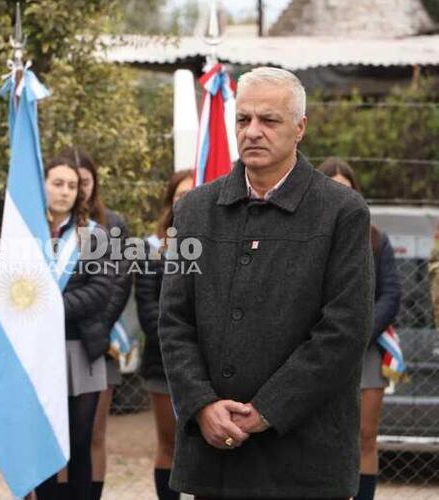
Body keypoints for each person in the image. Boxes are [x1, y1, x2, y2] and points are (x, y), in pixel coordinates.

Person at [158, 66, 373, 499]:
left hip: (304, 460)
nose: (253, 131)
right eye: (243, 119)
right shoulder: (195, 211)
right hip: (216, 460)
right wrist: (201, 404)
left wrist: (267, 410)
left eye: (268, 120)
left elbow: (344, 330)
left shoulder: (342, 212)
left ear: (300, 128)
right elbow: (174, 320)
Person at [319, 158, 402, 500]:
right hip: (320, 352)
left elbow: (391, 294)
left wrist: (357, 332)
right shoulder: (307, 239)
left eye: (348, 190)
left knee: (365, 436)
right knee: (322, 438)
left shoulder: (376, 240)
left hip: (365, 352)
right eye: (334, 188)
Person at [55, 147, 131, 500]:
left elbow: (114, 285)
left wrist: (95, 325)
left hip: (93, 340)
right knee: (53, 438)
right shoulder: (41, 227)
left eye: (82, 183)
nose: (75, 191)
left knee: (87, 437)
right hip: (51, 344)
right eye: (67, 183)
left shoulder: (108, 226)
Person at [34, 155, 113, 500]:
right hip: (35, 351)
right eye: (58, 183)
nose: (65, 191)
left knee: (79, 444)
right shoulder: (25, 231)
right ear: (44, 184)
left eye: (73, 185)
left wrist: (50, 308)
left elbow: (100, 289)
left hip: (79, 348)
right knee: (42, 446)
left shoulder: (94, 235)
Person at [135, 169, 194, 500]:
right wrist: (182, 345)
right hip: (164, 365)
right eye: (180, 195)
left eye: (192, 194)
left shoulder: (216, 244)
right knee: (169, 444)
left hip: (211, 364)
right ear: (170, 201)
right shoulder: (152, 249)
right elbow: (148, 312)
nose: (185, 201)